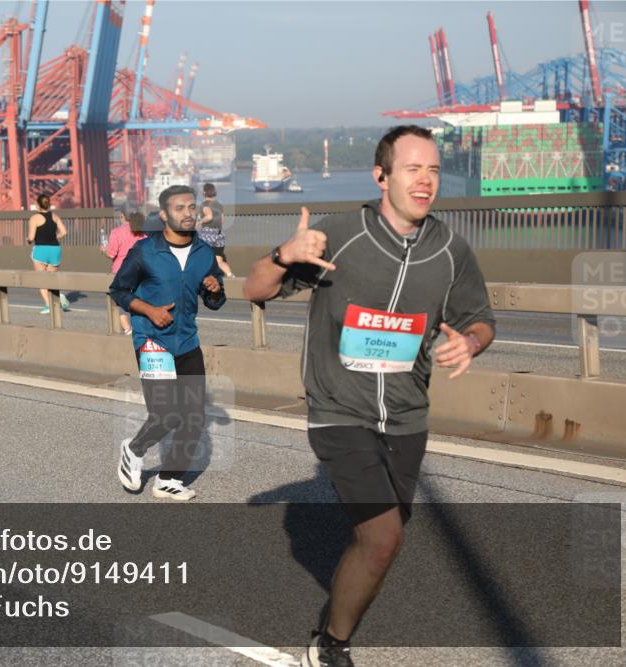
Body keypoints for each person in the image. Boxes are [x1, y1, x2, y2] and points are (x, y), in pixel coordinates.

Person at [242, 126, 496, 667]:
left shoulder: (450, 249)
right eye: (412, 169)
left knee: (380, 541)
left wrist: (471, 342)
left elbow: (479, 318)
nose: (425, 180)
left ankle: (340, 613)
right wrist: (284, 254)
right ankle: (330, 646)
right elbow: (255, 289)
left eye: (432, 170)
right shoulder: (340, 235)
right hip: (340, 410)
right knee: (382, 539)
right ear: (381, 176)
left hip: (407, 416)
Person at [110, 185, 226, 501]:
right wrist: (149, 310)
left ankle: (169, 478)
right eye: (179, 208)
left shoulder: (204, 253)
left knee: (194, 417)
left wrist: (214, 289)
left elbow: (215, 300)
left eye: (191, 207)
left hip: (187, 341)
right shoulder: (145, 252)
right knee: (167, 414)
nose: (187, 213)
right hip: (152, 341)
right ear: (163, 214)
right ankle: (133, 450)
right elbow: (119, 290)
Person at [106, 209, 147, 335]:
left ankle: (127, 328)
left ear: (123, 216)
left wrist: (103, 250)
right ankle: (141, 327)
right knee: (139, 299)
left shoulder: (116, 232)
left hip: (121, 271)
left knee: (121, 300)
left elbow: (111, 253)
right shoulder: (143, 232)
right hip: (141, 270)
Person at [27, 193, 70, 314]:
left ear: (37, 205)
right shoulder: (55, 216)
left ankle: (48, 305)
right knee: (52, 279)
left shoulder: (34, 218)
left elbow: (31, 237)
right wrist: (56, 237)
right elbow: (64, 232)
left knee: (42, 280)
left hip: (41, 249)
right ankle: (57, 298)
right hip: (55, 249)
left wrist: (28, 240)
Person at [196, 182, 235, 278]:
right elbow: (222, 220)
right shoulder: (219, 205)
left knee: (201, 257)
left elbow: (209, 216)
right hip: (219, 234)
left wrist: (200, 222)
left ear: (204, 193)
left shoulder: (204, 204)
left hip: (207, 234)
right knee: (219, 261)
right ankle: (230, 275)